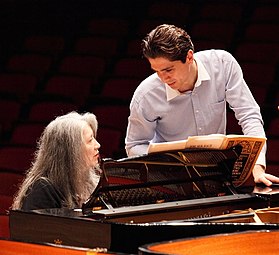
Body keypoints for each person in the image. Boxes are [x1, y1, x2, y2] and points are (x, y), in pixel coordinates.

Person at [125, 24, 279, 187]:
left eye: (168, 70)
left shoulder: (222, 64)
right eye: (157, 71)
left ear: (189, 57)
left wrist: (257, 166)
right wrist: (167, 160)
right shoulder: (146, 95)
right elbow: (134, 146)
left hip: (218, 173)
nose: (163, 78)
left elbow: (249, 115)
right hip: (170, 179)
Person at [12, 111, 101, 211]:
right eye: (90, 140)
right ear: (71, 150)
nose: (97, 145)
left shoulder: (91, 182)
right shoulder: (43, 190)